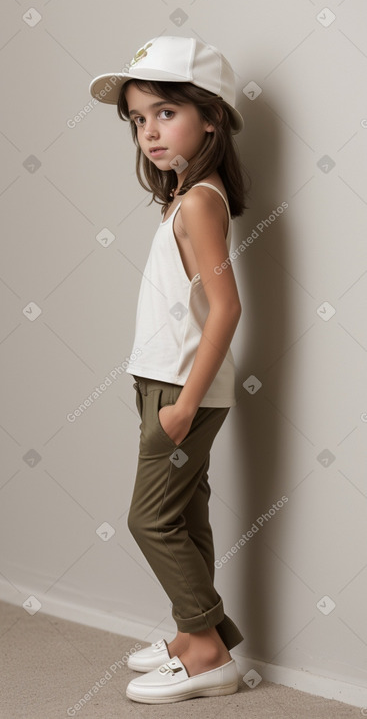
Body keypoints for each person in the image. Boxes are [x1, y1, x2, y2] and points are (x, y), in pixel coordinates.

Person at [89, 35, 251, 705]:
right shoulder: (185, 195)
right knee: (185, 516)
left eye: (164, 113)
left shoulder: (199, 202)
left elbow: (225, 308)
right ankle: (198, 636)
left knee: (149, 519)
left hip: (180, 389)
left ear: (209, 115)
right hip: (162, 381)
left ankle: (207, 653)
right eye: (137, 119)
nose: (148, 132)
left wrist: (183, 403)